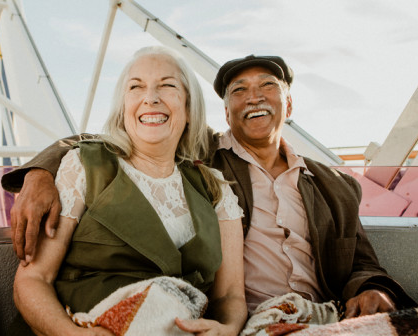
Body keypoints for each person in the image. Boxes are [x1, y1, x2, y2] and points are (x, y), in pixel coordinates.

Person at [2, 54, 417, 321]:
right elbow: (112, 140)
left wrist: (373, 289)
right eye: (239, 90)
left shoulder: (336, 186)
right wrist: (39, 173)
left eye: (268, 86)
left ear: (289, 104)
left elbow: (364, 263)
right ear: (223, 111)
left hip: (327, 313)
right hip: (258, 320)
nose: (254, 97)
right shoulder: (209, 162)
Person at [12, 46, 247, 335]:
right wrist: (72, 334)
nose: (151, 98)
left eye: (167, 85)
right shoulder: (85, 167)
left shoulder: (215, 189)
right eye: (136, 87)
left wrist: (229, 329)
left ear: (188, 107)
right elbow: (33, 279)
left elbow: (230, 296)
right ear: (123, 107)